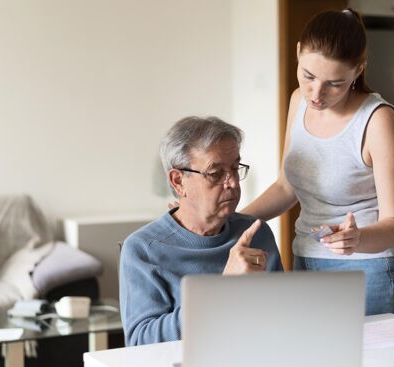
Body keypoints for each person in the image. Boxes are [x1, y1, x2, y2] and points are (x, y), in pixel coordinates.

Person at [241, 9, 394, 317]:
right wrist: (234, 222)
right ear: (297, 53)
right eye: (308, 76)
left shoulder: (377, 121)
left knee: (373, 366)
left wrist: (357, 238)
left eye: (335, 83)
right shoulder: (298, 101)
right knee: (312, 363)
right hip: (306, 262)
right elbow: (286, 187)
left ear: (358, 69)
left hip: (370, 272)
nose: (317, 94)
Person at [121, 116, 283, 346]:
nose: (233, 183)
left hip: (258, 363)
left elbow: (282, 317)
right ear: (178, 181)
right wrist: (221, 290)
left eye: (235, 168)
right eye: (216, 173)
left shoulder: (256, 233)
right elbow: (140, 342)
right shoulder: (143, 249)